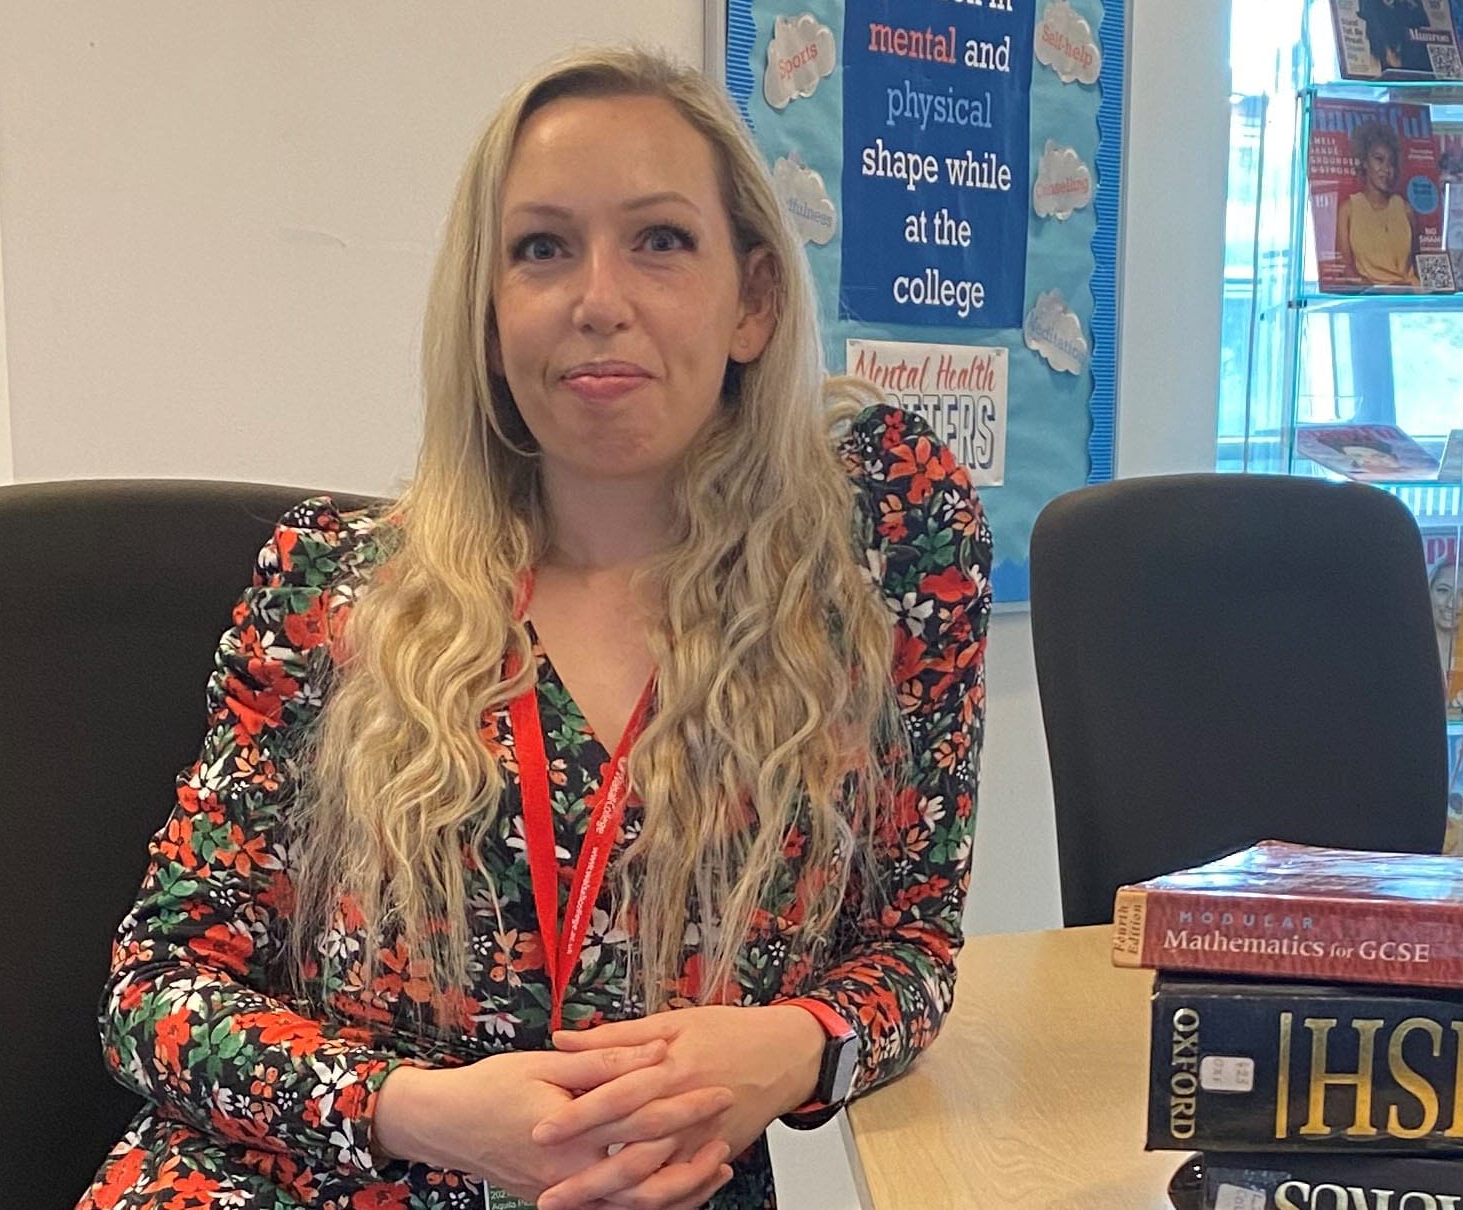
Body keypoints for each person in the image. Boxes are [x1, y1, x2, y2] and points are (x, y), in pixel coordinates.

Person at [82, 46, 991, 1210]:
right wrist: (417, 1110)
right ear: (490, 309)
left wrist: (798, 1045)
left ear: (753, 299)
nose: (598, 299)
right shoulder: (337, 592)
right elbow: (155, 988)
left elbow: (914, 947)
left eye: (660, 240)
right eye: (542, 248)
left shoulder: (876, 559)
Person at [1335, 119, 1419, 288]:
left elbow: (1418, 262)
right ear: (1364, 162)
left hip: (1409, 299)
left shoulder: (1405, 209)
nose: (1386, 169)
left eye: (1391, 163)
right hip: (1369, 300)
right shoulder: (1348, 210)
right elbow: (1345, 268)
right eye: (1379, 159)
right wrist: (1372, 290)